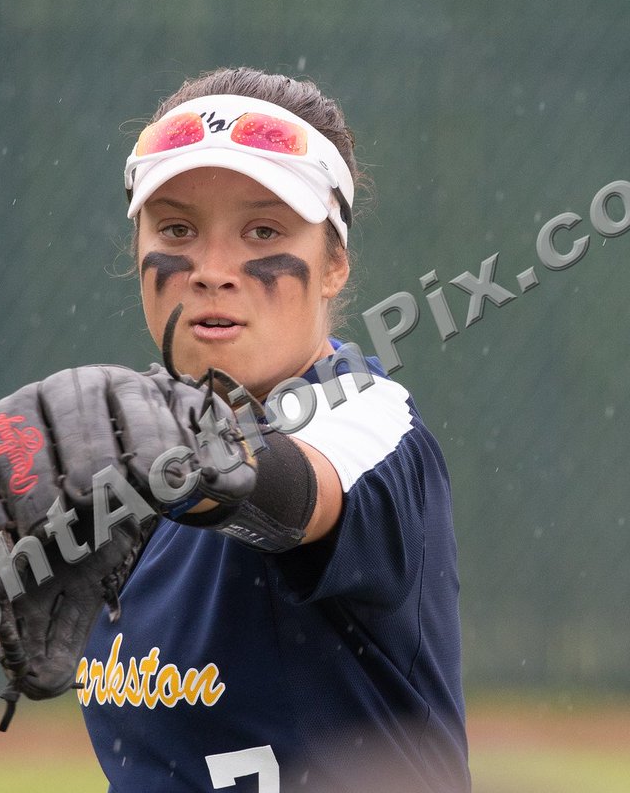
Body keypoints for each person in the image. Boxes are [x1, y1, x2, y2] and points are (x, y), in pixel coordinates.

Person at [73, 67, 471, 791]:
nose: (212, 270)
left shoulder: (369, 423)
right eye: (177, 229)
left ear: (334, 265)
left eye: (264, 229)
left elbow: (289, 498)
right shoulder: (119, 470)